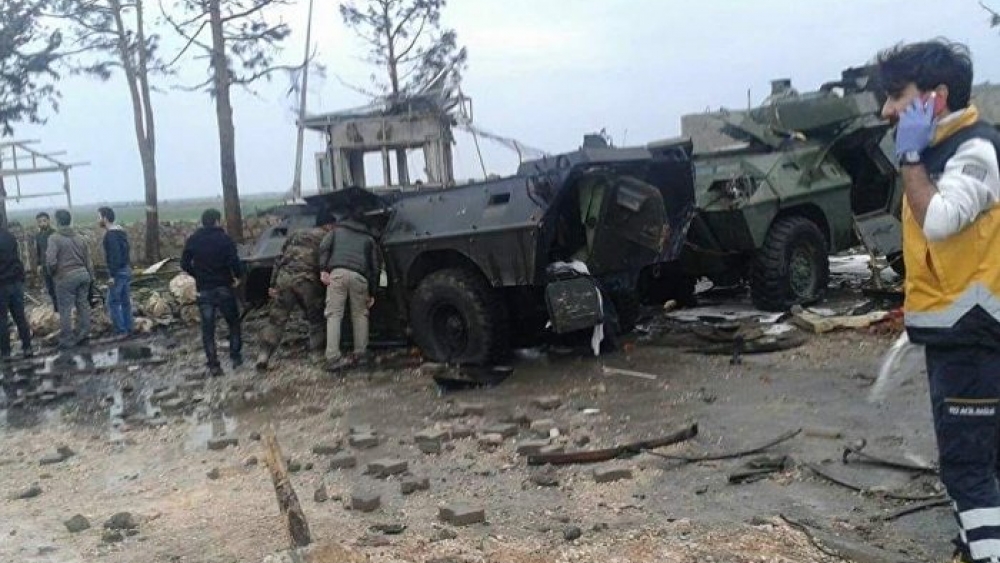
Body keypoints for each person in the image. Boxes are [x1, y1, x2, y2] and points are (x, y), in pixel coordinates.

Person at [877, 39, 1000, 563]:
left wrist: (908, 156)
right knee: (984, 462)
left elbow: (942, 221)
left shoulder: (974, 150)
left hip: (972, 336)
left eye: (895, 97)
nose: (885, 111)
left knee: (968, 468)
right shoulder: (944, 150)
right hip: (958, 333)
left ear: (937, 97)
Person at [254, 213, 335, 371]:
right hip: (307, 282)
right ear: (329, 225)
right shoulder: (327, 237)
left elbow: (279, 258)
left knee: (277, 319)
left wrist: (273, 284)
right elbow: (327, 262)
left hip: (284, 280)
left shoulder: (295, 234)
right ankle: (316, 356)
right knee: (316, 318)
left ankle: (263, 355)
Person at [181, 209, 244, 377]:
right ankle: (236, 357)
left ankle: (213, 364)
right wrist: (237, 277)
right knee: (233, 323)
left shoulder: (194, 239)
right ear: (217, 221)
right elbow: (234, 261)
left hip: (204, 289)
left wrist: (197, 274)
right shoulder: (224, 239)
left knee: (208, 329)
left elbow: (184, 263)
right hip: (224, 286)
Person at [319, 206, 380, 371]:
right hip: (360, 277)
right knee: (360, 315)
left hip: (337, 274)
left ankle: (333, 357)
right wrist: (373, 292)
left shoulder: (336, 231)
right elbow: (376, 267)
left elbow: (324, 247)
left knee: (334, 315)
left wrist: (323, 269)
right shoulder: (369, 238)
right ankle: (360, 354)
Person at [45, 209, 93, 350]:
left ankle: (67, 339)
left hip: (65, 276)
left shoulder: (54, 238)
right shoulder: (80, 238)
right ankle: (84, 334)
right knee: (82, 305)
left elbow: (51, 261)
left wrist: (52, 274)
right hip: (83, 275)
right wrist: (91, 277)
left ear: (57, 221)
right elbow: (88, 261)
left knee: (65, 309)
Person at [0, 221, 33, 360]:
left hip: (1, 284)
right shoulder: (9, 236)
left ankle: (6, 353)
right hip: (15, 281)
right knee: (20, 316)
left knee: (2, 320)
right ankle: (27, 348)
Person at [98, 207, 133, 339]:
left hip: (117, 272)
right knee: (125, 301)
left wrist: (112, 275)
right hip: (125, 269)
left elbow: (114, 256)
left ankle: (121, 330)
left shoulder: (110, 235)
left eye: (99, 217)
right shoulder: (121, 232)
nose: (98, 220)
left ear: (105, 218)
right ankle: (129, 328)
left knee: (112, 302)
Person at [35, 212, 57, 311]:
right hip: (45, 266)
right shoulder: (38, 236)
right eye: (40, 222)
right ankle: (56, 308)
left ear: (48, 221)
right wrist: (39, 264)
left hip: (55, 266)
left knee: (57, 287)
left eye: (44, 221)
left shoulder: (54, 234)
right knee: (50, 289)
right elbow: (39, 251)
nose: (42, 223)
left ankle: (62, 309)